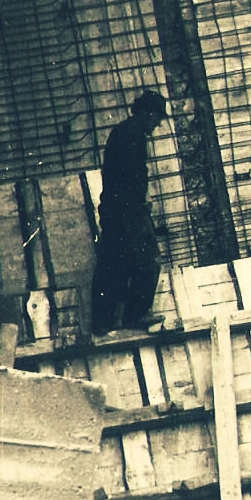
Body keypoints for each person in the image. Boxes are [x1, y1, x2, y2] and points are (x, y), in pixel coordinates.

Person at [91, 90, 168, 335]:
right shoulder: (132, 134)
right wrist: (140, 205)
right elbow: (131, 177)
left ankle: (103, 321)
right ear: (147, 113)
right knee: (148, 260)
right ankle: (135, 315)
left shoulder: (124, 131)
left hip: (116, 208)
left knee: (113, 262)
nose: (157, 124)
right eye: (157, 118)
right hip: (127, 210)